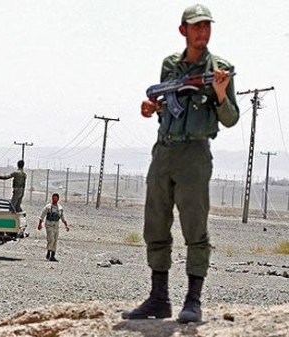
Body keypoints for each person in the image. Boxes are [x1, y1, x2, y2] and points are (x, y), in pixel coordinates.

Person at [122, 4, 239, 323]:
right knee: (155, 224)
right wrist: (151, 108)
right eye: (196, 26)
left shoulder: (221, 68)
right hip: (163, 151)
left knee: (194, 227)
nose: (203, 31)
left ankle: (193, 300)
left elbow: (230, 119)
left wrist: (219, 92)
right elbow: (166, 108)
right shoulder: (170, 66)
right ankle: (159, 298)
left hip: (194, 155)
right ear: (183, 30)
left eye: (207, 26)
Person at [37, 193, 70, 262]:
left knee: (55, 240)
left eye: (56, 198)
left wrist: (66, 225)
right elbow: (42, 215)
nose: (54, 199)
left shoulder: (60, 208)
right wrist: (40, 224)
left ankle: (53, 255)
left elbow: (62, 217)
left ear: (58, 199)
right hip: (49, 225)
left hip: (56, 225)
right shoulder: (48, 207)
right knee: (51, 239)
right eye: (53, 198)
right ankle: (48, 252)